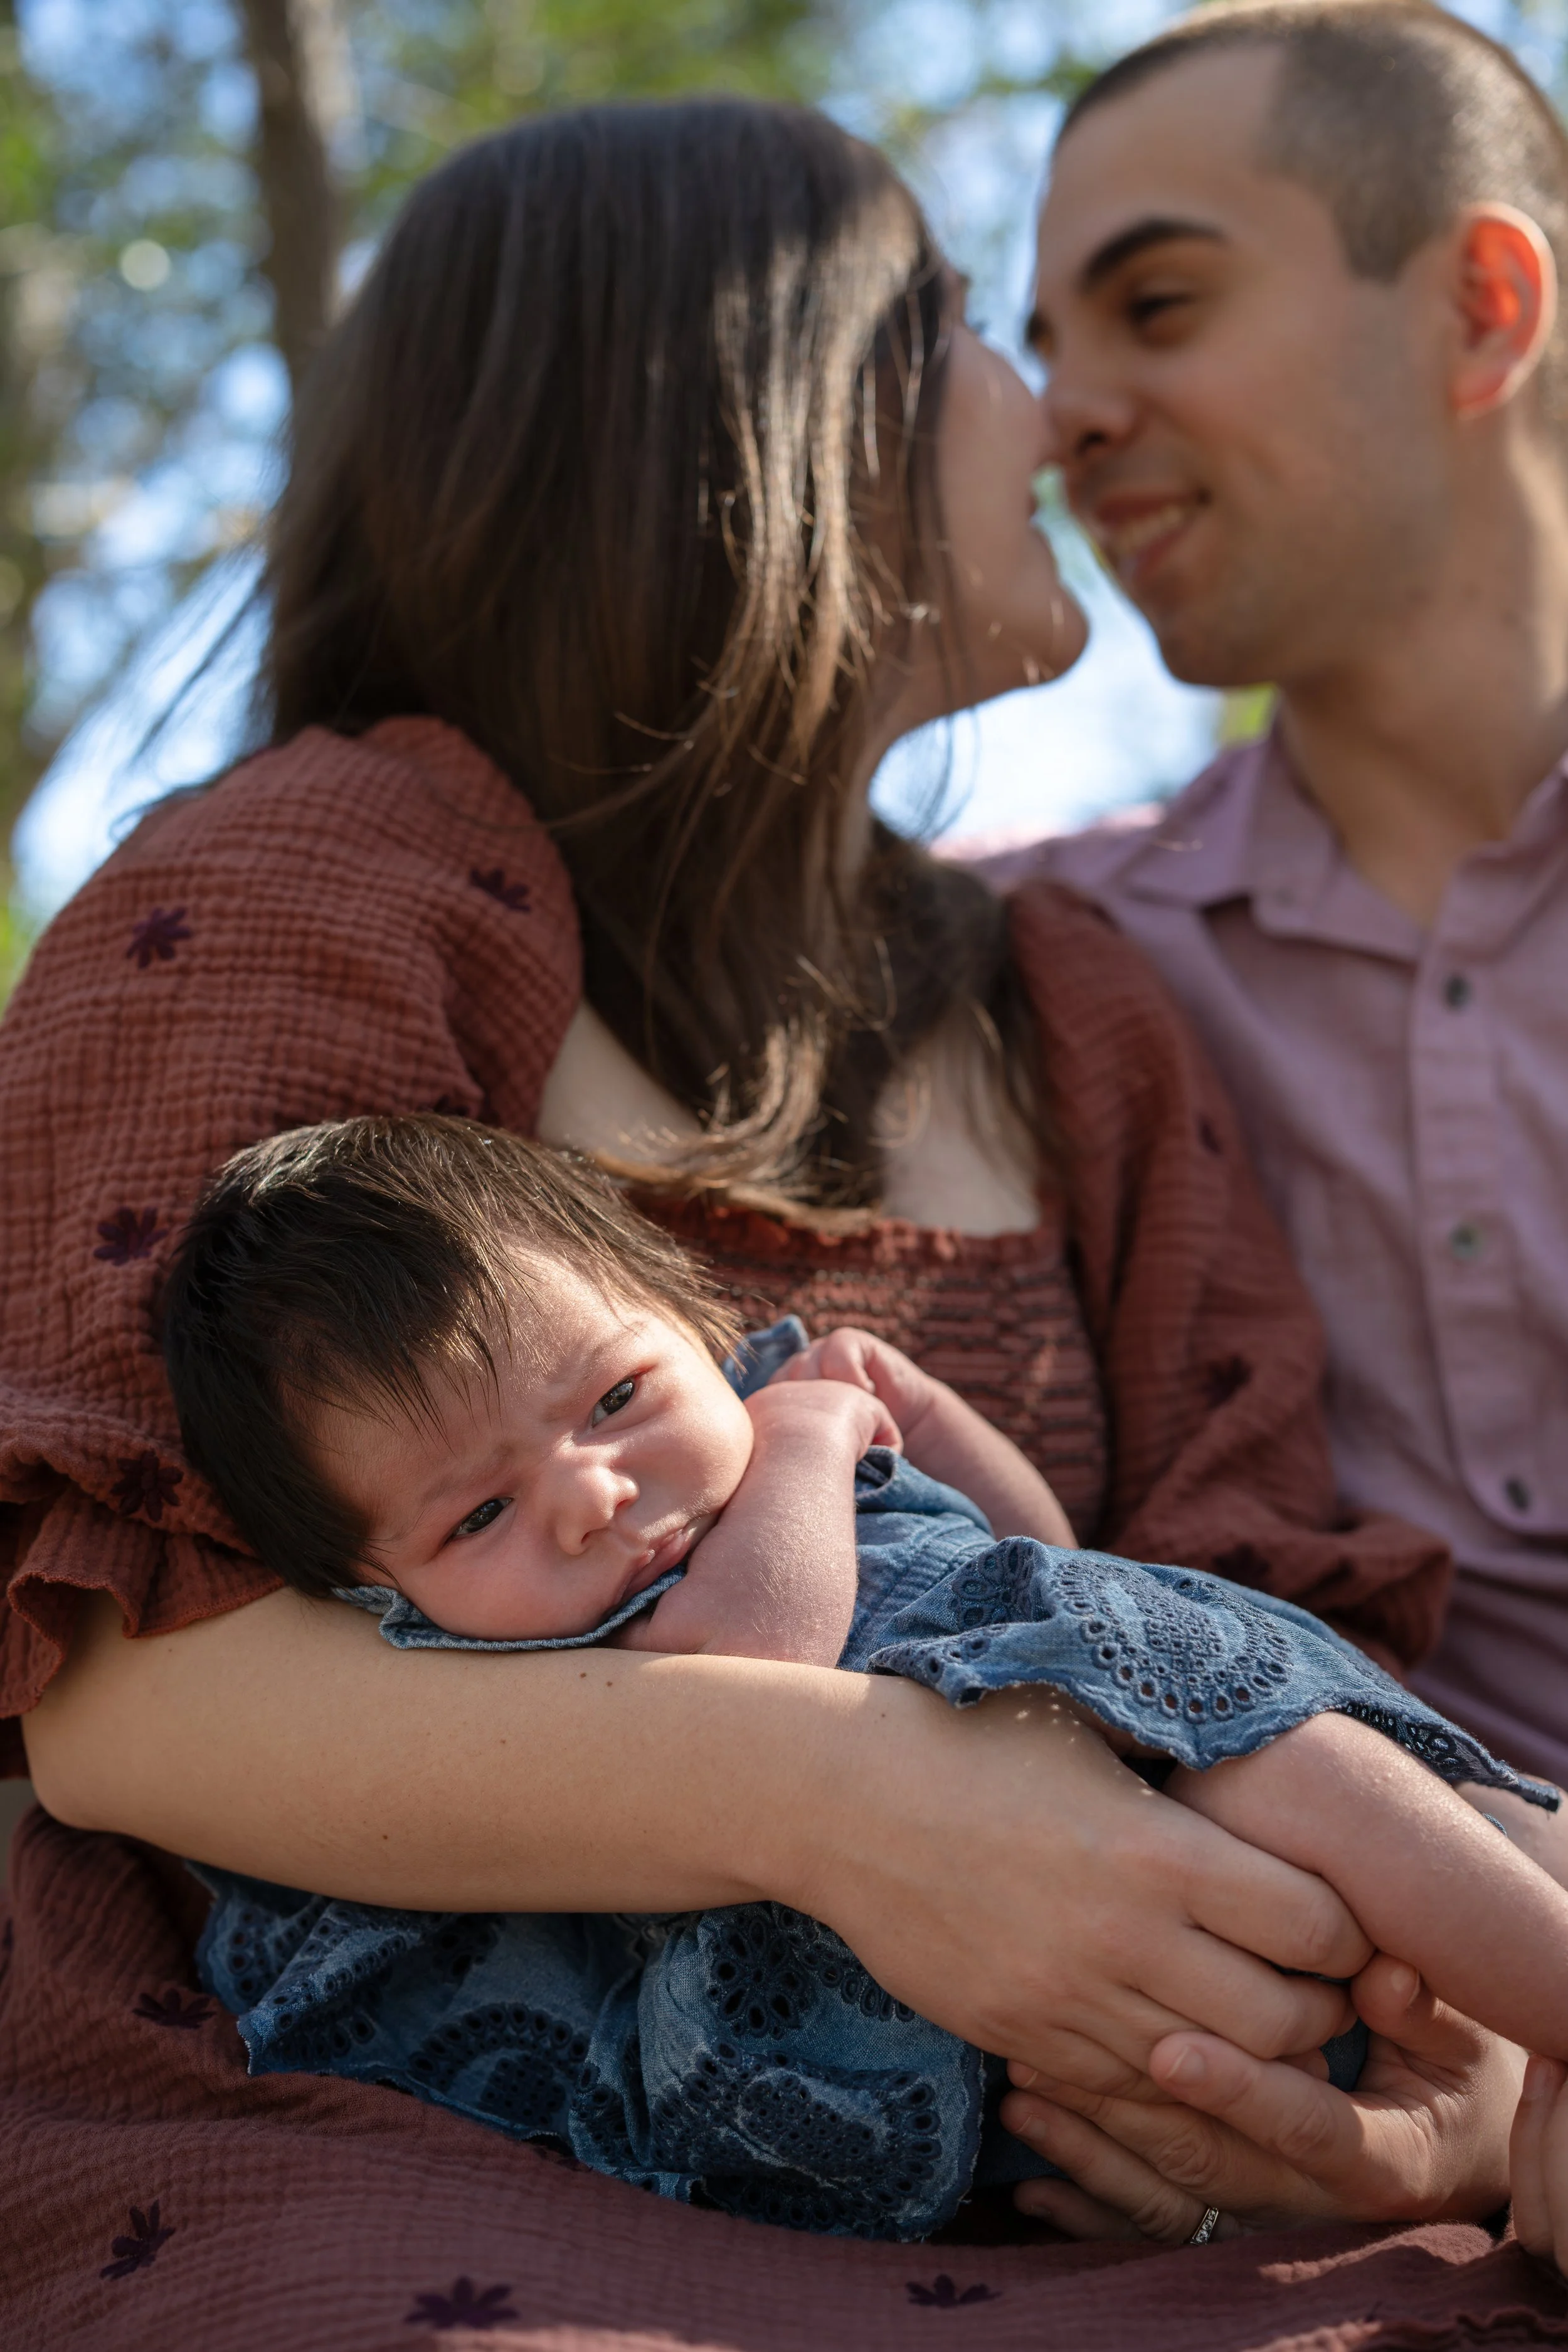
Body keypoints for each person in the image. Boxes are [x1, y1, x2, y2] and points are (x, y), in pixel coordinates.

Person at [0, 92, 1539, 2342]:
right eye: (959, 327)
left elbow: (1250, 1601)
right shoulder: (313, 885)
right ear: (755, 406)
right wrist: (851, 1809)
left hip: (1087, 2126)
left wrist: (1436, 2086)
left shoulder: (1075, 1012)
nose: (1047, 407)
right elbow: (112, 1682)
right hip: (428, 2136)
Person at [158, 1113, 1563, 2240]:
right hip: (878, 2015)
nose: (589, 1494)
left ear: (686, 1312)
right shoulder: (567, 1643)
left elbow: (1045, 1556)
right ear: (372, 1591)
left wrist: (923, 1417)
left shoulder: (755, 1401)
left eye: (614, 1398)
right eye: (474, 1517)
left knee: (1442, 1803)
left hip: (1116, 1882)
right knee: (1293, 1756)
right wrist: (820, 1437)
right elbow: (752, 1663)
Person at [990, 0, 1568, 2242]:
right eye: (1046, 345)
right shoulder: (1030, 971)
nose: (1067, 413)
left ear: (1482, 307)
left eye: (1159, 302)